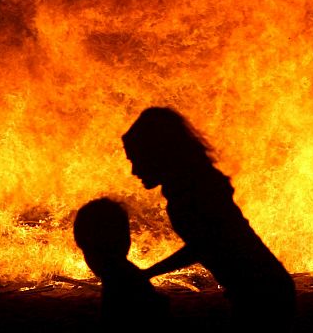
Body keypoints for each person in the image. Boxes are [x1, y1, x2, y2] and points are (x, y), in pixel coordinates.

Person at [123, 107, 296, 332]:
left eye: (137, 160)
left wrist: (147, 273)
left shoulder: (197, 189)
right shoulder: (188, 186)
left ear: (158, 155)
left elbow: (203, 245)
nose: (134, 170)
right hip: (256, 289)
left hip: (263, 290)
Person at [73, 197, 170, 330]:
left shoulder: (118, 281)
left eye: (86, 250)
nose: (87, 258)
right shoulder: (126, 274)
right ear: (126, 243)